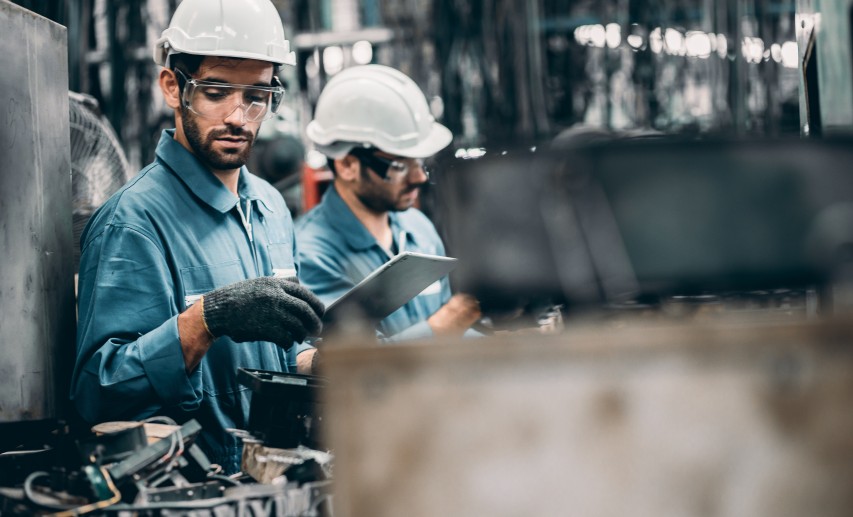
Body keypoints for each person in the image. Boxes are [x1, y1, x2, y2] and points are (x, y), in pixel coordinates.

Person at [71, 0, 324, 474]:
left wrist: (315, 363)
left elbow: (281, 351)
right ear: (173, 87)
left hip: (276, 482)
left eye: (256, 95)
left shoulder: (270, 208)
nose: (238, 116)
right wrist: (205, 320)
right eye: (216, 91)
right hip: (191, 492)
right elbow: (97, 395)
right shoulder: (133, 223)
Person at [296, 65, 481, 341]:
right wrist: (446, 324)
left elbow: (456, 340)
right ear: (347, 165)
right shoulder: (311, 254)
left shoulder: (418, 228)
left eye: (419, 163)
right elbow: (347, 365)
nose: (419, 178)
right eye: (398, 166)